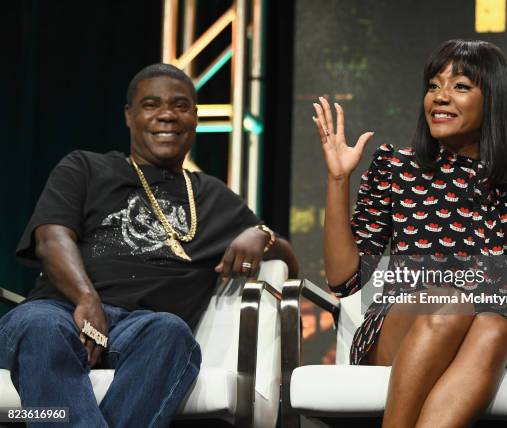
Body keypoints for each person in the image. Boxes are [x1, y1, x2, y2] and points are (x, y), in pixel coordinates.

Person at [0, 63, 298, 427]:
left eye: (180, 106)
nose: (167, 115)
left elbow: (288, 262)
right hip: (62, 312)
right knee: (39, 327)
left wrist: (262, 234)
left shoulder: (213, 197)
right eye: (152, 104)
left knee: (172, 333)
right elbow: (51, 237)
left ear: (195, 118)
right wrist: (86, 299)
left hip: (145, 330)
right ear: (130, 115)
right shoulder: (85, 167)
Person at [312, 39, 507, 427]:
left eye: (460, 86)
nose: (440, 97)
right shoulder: (396, 166)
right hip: (402, 325)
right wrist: (338, 179)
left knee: (493, 327)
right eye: (433, 85)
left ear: (493, 99)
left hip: (491, 334)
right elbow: (344, 280)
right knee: (450, 303)